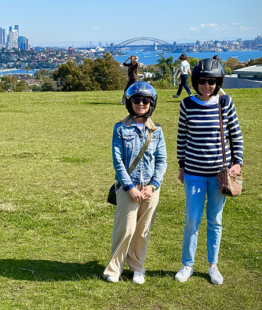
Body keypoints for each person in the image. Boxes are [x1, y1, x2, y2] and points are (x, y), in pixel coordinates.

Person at [175, 58, 244, 285]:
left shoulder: (225, 102)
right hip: (193, 173)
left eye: (212, 81)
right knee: (192, 219)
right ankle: (187, 265)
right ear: (196, 82)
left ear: (218, 82)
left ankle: (213, 265)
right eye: (203, 81)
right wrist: (181, 166)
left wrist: (238, 162)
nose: (207, 86)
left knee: (215, 220)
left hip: (219, 174)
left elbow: (236, 135)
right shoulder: (186, 104)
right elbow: (182, 138)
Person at [104, 82, 167, 284]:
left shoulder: (156, 131)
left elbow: (162, 160)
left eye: (145, 100)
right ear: (130, 103)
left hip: (150, 188)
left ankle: (137, 267)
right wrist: (130, 187)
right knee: (126, 228)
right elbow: (118, 161)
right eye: (137, 100)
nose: (141, 103)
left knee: (143, 230)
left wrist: (153, 185)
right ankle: (114, 269)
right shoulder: (121, 128)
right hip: (127, 187)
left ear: (151, 103)